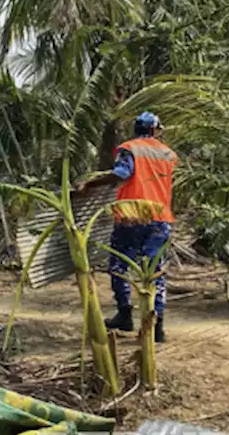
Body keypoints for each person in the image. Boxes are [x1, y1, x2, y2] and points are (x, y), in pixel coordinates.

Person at [75, 111, 177, 342]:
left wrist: (90, 184)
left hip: (131, 217)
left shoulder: (129, 148)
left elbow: (122, 173)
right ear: (155, 130)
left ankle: (124, 314)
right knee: (155, 272)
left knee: (119, 266)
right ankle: (157, 326)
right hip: (159, 219)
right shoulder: (168, 154)